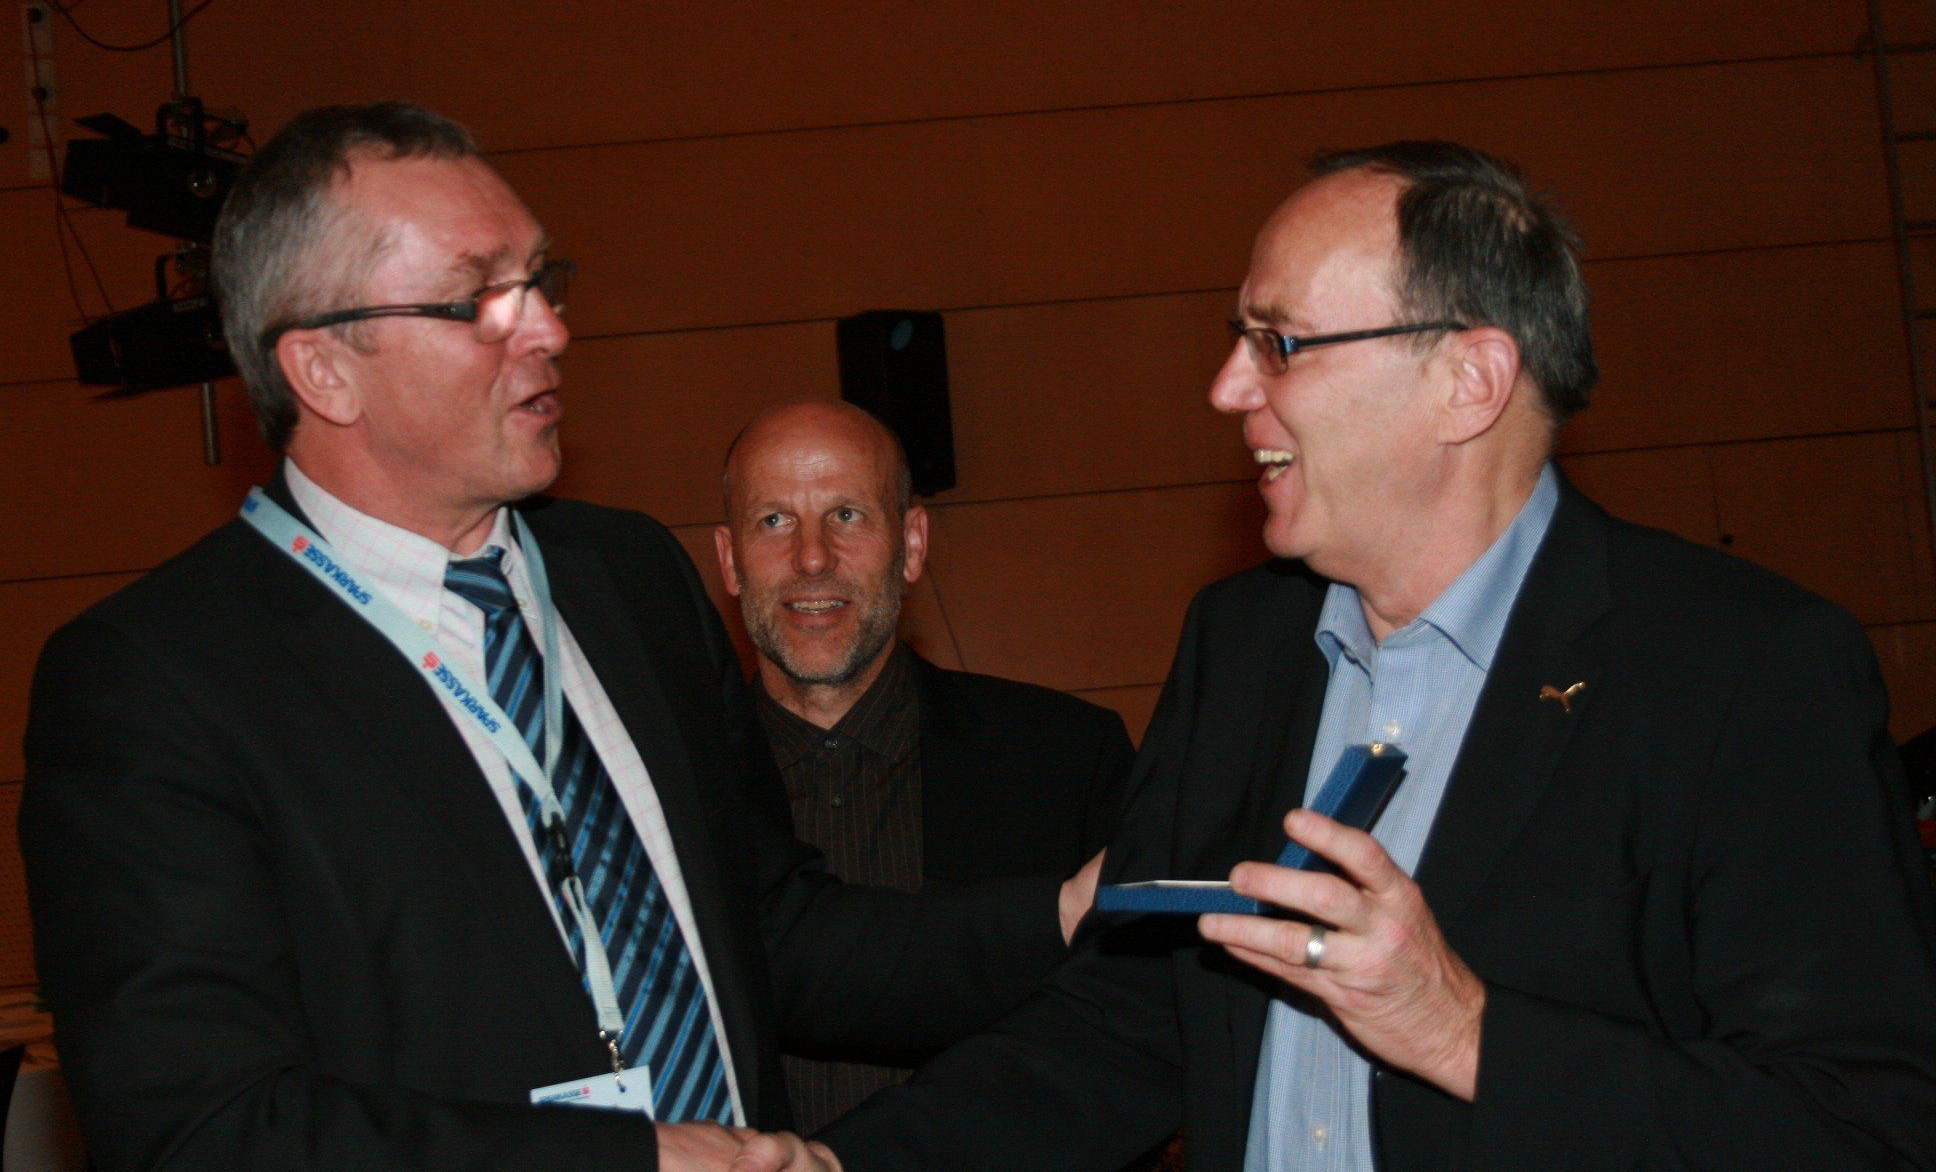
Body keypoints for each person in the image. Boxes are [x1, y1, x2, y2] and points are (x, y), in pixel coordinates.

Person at [777, 142, 1936, 1170]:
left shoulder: (1738, 672)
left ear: (1466, 382)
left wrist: (1463, 1031)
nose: (1227, 388)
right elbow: (1129, 1023)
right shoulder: (1244, 646)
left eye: (1278, 343)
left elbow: (1861, 1129)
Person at [19, 102, 1095, 1172]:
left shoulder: (626, 578)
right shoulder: (156, 685)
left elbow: (771, 933)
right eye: (480, 299)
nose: (548, 330)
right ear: (323, 370)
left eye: (541, 282)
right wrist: (627, 1162)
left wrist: (1062, 911)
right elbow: (200, 1131)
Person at [715, 398, 1134, 1130]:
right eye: (774, 520)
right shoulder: (670, 788)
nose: (812, 557)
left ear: (911, 544)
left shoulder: (1066, 761)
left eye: (847, 515)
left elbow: (1129, 1043)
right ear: (729, 561)